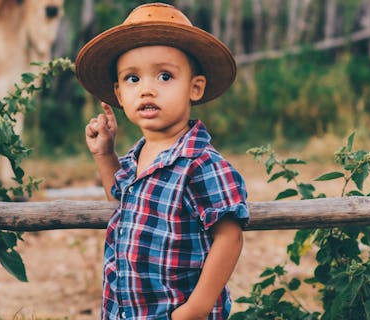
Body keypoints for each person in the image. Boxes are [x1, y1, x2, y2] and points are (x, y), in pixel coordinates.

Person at [75, 3, 249, 319]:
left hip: (176, 312)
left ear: (195, 87)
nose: (147, 90)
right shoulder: (135, 158)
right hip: (128, 311)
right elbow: (121, 198)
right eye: (132, 79)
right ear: (118, 93)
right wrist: (105, 154)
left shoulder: (200, 163)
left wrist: (196, 308)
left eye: (165, 76)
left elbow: (229, 235)